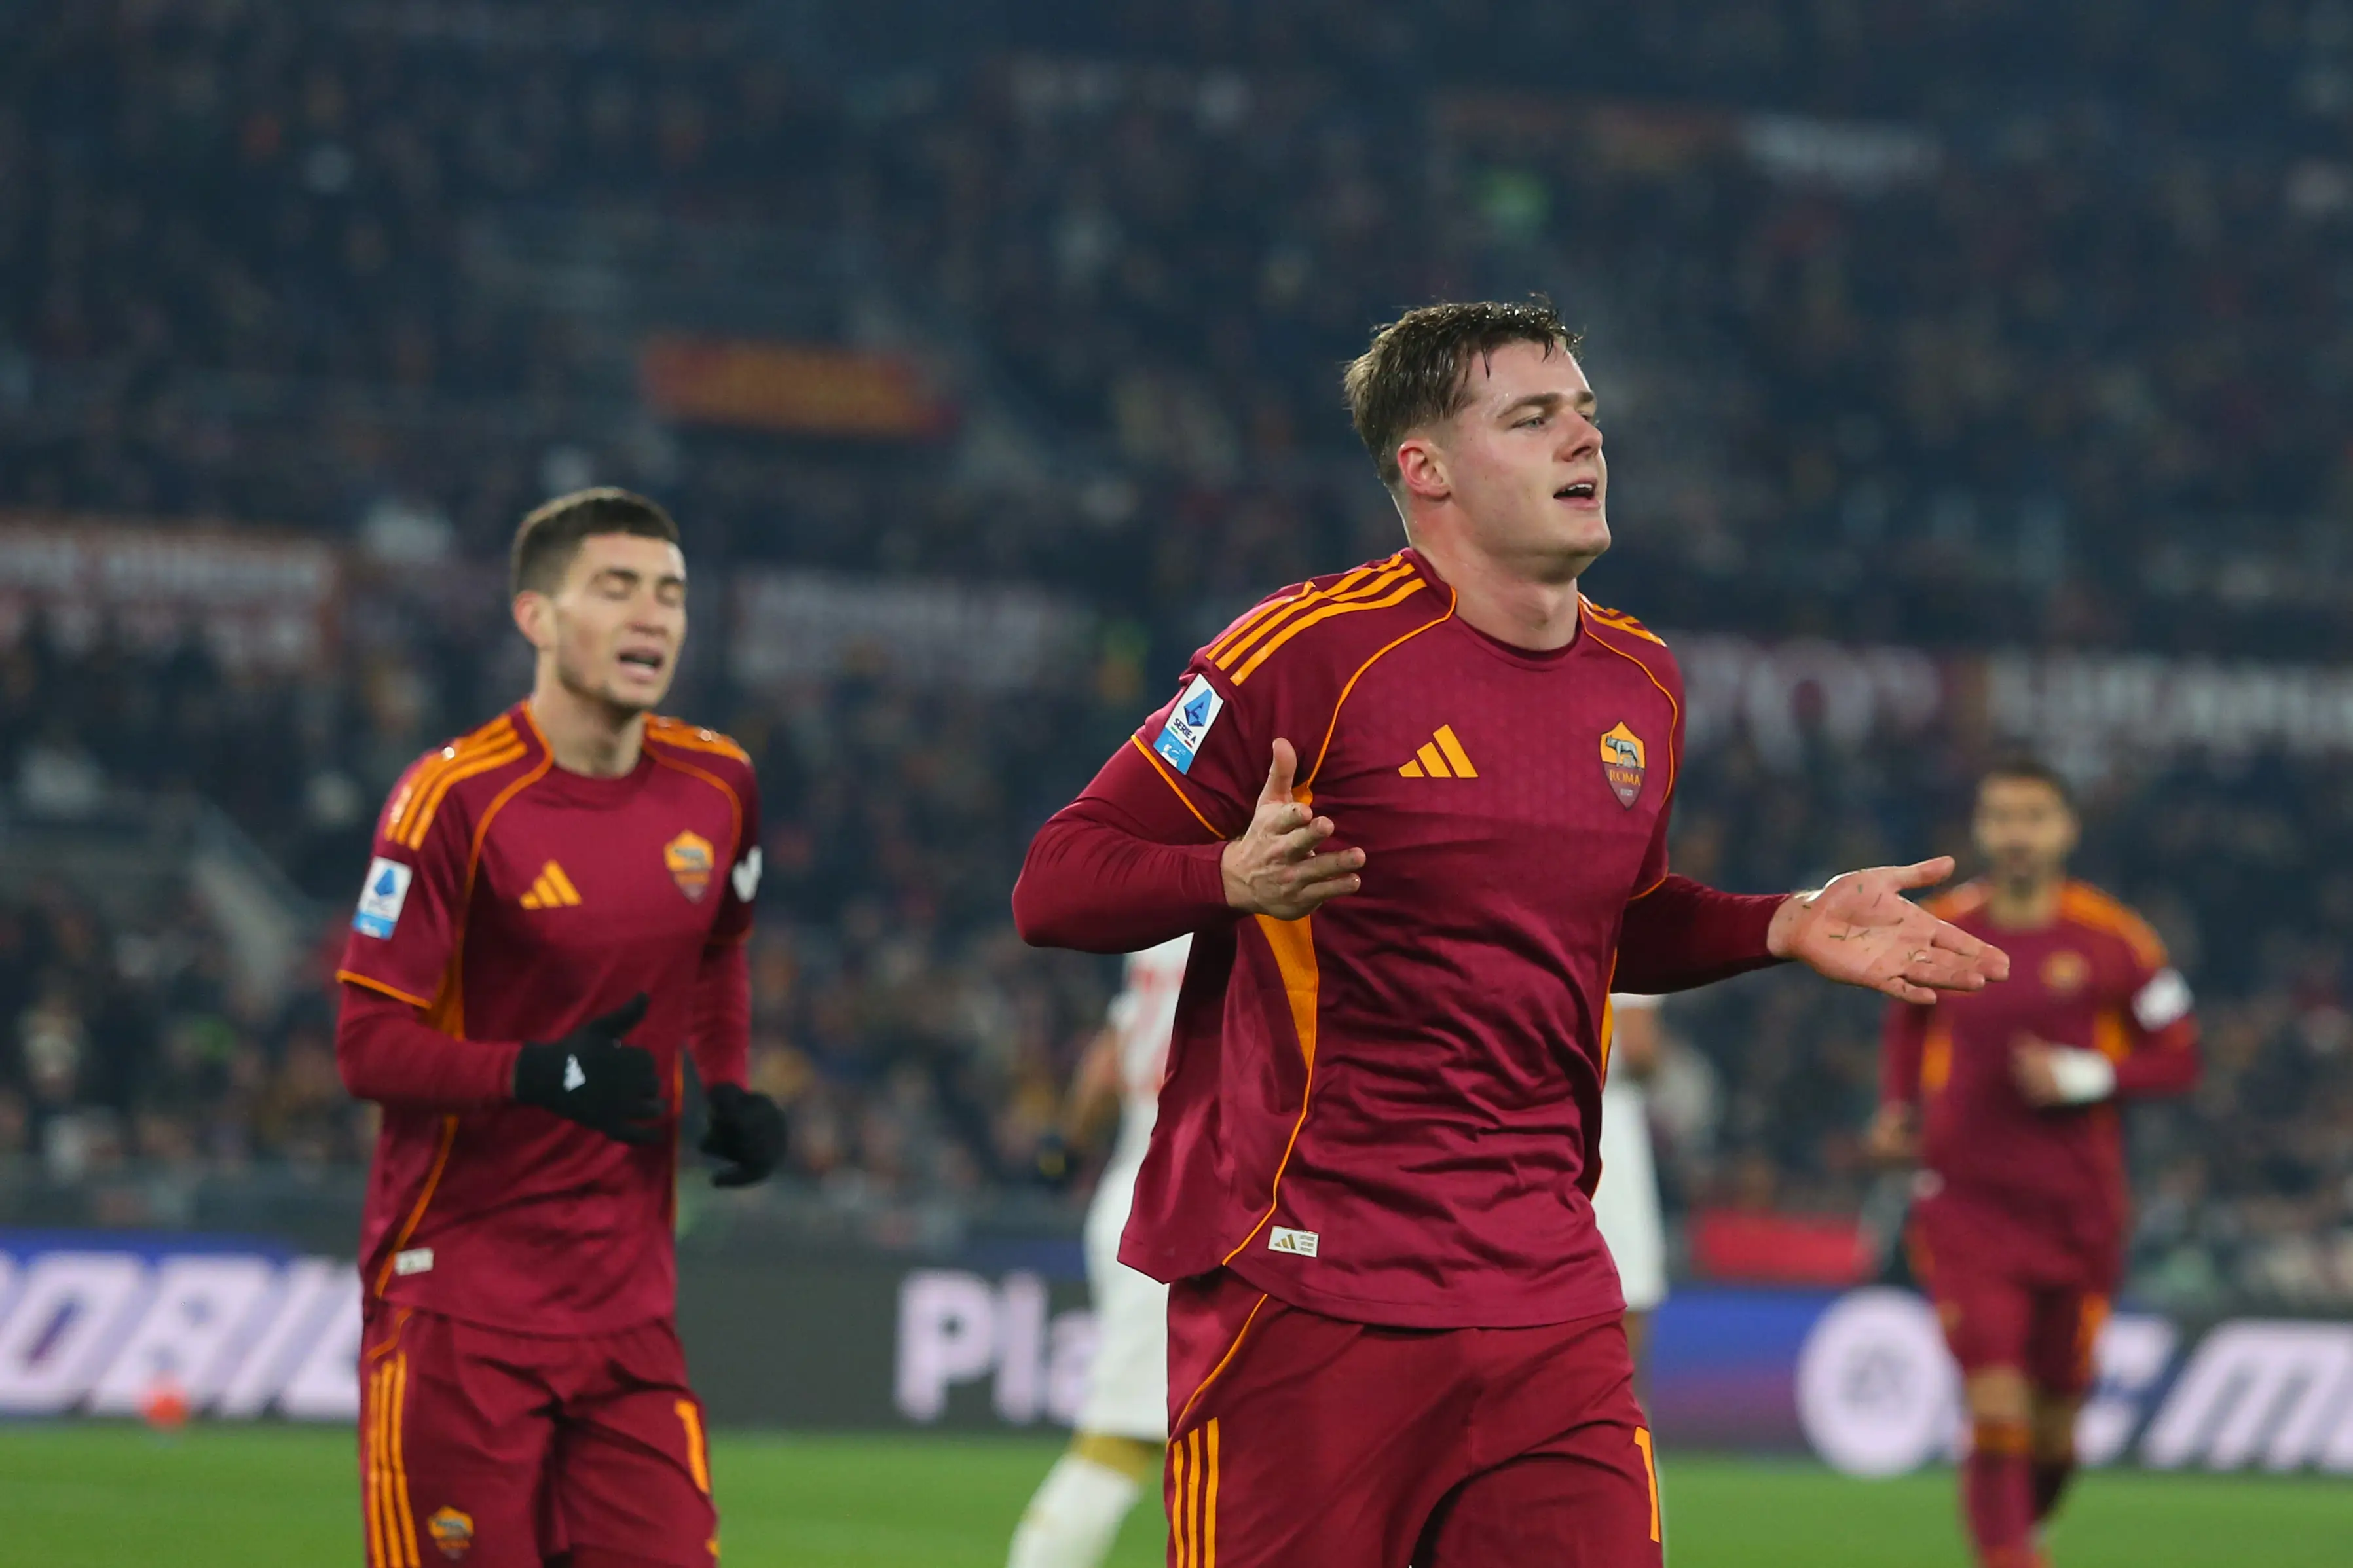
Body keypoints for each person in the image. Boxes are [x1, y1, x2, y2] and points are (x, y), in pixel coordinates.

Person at [1010, 299, 2010, 1568]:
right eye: (1531, 418)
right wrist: (1227, 876)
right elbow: (1054, 881)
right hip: (1310, 1291)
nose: (1580, 440)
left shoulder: (1637, 681)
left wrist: (1784, 925)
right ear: (1424, 470)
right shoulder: (1306, 654)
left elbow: (1614, 923)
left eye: (1584, 413)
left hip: (1544, 1289)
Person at [334, 488, 786, 1568]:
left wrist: (725, 1086)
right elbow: (365, 1045)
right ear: (536, 617)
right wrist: (537, 1075)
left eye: (670, 595)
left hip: (629, 1313)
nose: (652, 618)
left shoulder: (719, 783)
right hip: (460, 1306)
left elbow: (718, 950)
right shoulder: (452, 800)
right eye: (616, 588)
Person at [1869, 760, 2198, 1568]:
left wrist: (2089, 1075)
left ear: (2065, 830)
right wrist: (1897, 1107)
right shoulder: (1942, 926)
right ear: (1981, 829)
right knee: (1995, 1406)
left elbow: (2180, 1056)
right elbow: (1906, 1021)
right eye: (2001, 816)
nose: (2016, 833)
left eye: (2034, 816)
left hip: (2076, 1213)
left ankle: (2023, 1532)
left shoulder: (2116, 939)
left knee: (2054, 1428)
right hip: (1965, 1206)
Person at [1008, 934, 1193, 1568]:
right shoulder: (1260, 909)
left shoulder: (1165, 925)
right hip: (1181, 1206)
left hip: (1139, 1187)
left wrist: (1063, 1144)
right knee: (1118, 1441)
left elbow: (1109, 1055)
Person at [1596, 993, 1669, 1381]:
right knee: (1628, 1289)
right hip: (1608, 1129)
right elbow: (1639, 1049)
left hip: (1534, 1121)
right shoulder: (1621, 938)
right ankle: (1625, 1426)